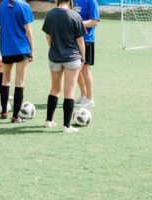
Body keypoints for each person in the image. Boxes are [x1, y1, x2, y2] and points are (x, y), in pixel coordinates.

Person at [42, 0, 87, 132]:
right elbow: (80, 40)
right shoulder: (75, 16)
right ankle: (66, 126)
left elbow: (48, 37)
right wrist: (83, 57)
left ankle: (48, 121)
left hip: (55, 57)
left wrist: (53, 50)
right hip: (71, 58)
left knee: (55, 89)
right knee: (70, 91)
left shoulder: (50, 14)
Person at [0, 0, 34, 123]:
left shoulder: (1, 6)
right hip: (22, 48)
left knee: (5, 80)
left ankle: (3, 113)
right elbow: (28, 31)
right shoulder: (24, 6)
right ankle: (15, 117)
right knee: (20, 82)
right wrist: (32, 50)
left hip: (6, 48)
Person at [73, 0, 100, 107]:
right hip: (74, 40)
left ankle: (90, 99)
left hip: (86, 40)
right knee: (76, 68)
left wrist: (77, 23)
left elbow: (95, 22)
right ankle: (83, 95)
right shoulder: (74, 1)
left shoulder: (91, 2)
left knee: (84, 69)